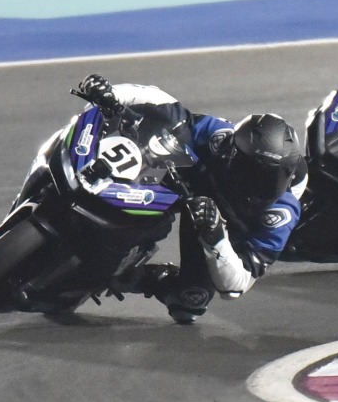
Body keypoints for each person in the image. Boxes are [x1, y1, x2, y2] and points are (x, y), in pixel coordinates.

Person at [76, 74, 308, 324]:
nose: (261, 185)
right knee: (153, 140)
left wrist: (216, 236)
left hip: (219, 220)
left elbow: (236, 286)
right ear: (232, 154)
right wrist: (113, 96)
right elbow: (168, 108)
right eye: (254, 173)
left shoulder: (281, 212)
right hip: (189, 177)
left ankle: (135, 276)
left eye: (274, 178)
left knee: (189, 302)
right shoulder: (217, 137)